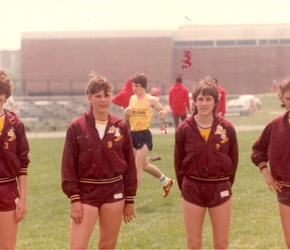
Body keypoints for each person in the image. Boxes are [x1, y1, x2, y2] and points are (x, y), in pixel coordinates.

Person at [61, 72, 137, 249]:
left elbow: (130, 165)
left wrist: (130, 199)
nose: (103, 100)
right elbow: (68, 165)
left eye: (106, 95)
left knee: (107, 245)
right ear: (89, 97)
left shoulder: (120, 126)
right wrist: (74, 198)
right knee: (77, 246)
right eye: (98, 96)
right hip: (86, 191)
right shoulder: (76, 127)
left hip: (114, 191)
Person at [174, 77, 238, 249]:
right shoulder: (184, 128)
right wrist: (187, 186)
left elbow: (234, 160)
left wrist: (223, 182)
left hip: (220, 187)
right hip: (192, 188)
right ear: (194, 101)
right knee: (194, 244)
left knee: (221, 244)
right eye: (200, 99)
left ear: (216, 101)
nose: (204, 103)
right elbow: (178, 162)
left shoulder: (227, 128)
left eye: (208, 99)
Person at [251, 76, 290, 249]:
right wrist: (266, 174)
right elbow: (258, 151)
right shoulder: (275, 125)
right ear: (283, 98)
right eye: (288, 98)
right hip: (285, 189)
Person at [124, 72, 174, 197]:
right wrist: (126, 112)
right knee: (145, 166)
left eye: (137, 86)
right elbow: (127, 119)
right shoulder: (132, 99)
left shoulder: (151, 99)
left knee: (137, 167)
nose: (134, 89)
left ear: (143, 86)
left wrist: (162, 113)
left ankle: (130, 197)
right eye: (133, 86)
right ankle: (166, 181)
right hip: (133, 135)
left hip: (144, 135)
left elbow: (163, 110)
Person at [0, 68, 30, 249]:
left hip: (8, 189)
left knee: (7, 247)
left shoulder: (16, 124)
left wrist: (23, 199)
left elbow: (23, 164)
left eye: (1, 92)